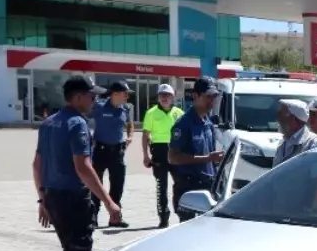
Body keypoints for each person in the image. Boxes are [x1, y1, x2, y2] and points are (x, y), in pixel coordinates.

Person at [33, 76, 122, 251]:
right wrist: (108, 201)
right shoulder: (77, 124)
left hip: (54, 197)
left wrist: (42, 199)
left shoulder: (49, 123)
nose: (95, 101)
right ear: (78, 96)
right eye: (91, 96)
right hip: (73, 199)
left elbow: (36, 164)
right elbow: (83, 167)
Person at [168, 77, 224, 221]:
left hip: (207, 188)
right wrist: (207, 158)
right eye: (207, 97)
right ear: (195, 96)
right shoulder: (183, 124)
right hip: (189, 189)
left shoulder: (208, 124)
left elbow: (211, 158)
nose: (211, 101)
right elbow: (173, 157)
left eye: (214, 97)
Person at [90, 80, 134, 227]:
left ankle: (115, 218)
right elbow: (84, 117)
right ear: (115, 94)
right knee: (96, 184)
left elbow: (129, 123)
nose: (127, 97)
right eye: (124, 94)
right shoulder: (99, 107)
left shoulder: (125, 109)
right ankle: (93, 217)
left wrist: (130, 136)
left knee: (117, 185)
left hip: (117, 151)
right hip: (100, 151)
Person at [141, 84, 184, 228]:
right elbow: (145, 135)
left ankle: (181, 213)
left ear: (173, 98)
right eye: (162, 95)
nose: (165, 98)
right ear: (158, 97)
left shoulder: (179, 113)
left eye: (168, 95)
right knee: (161, 186)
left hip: (176, 151)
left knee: (180, 184)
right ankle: (163, 217)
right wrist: (145, 155)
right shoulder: (151, 113)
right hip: (159, 152)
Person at [273, 98, 317, 167]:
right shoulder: (283, 143)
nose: (278, 119)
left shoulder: (314, 144)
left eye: (281, 115)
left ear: (293, 119)